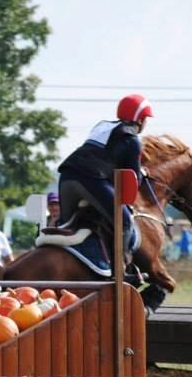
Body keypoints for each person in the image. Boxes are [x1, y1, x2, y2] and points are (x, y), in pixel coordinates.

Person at [57, 93, 152, 262]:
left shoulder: (101, 126)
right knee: (125, 222)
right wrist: (143, 175)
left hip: (66, 176)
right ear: (140, 119)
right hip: (90, 179)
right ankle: (120, 270)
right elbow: (131, 179)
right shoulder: (132, 139)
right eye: (146, 119)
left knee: (65, 225)